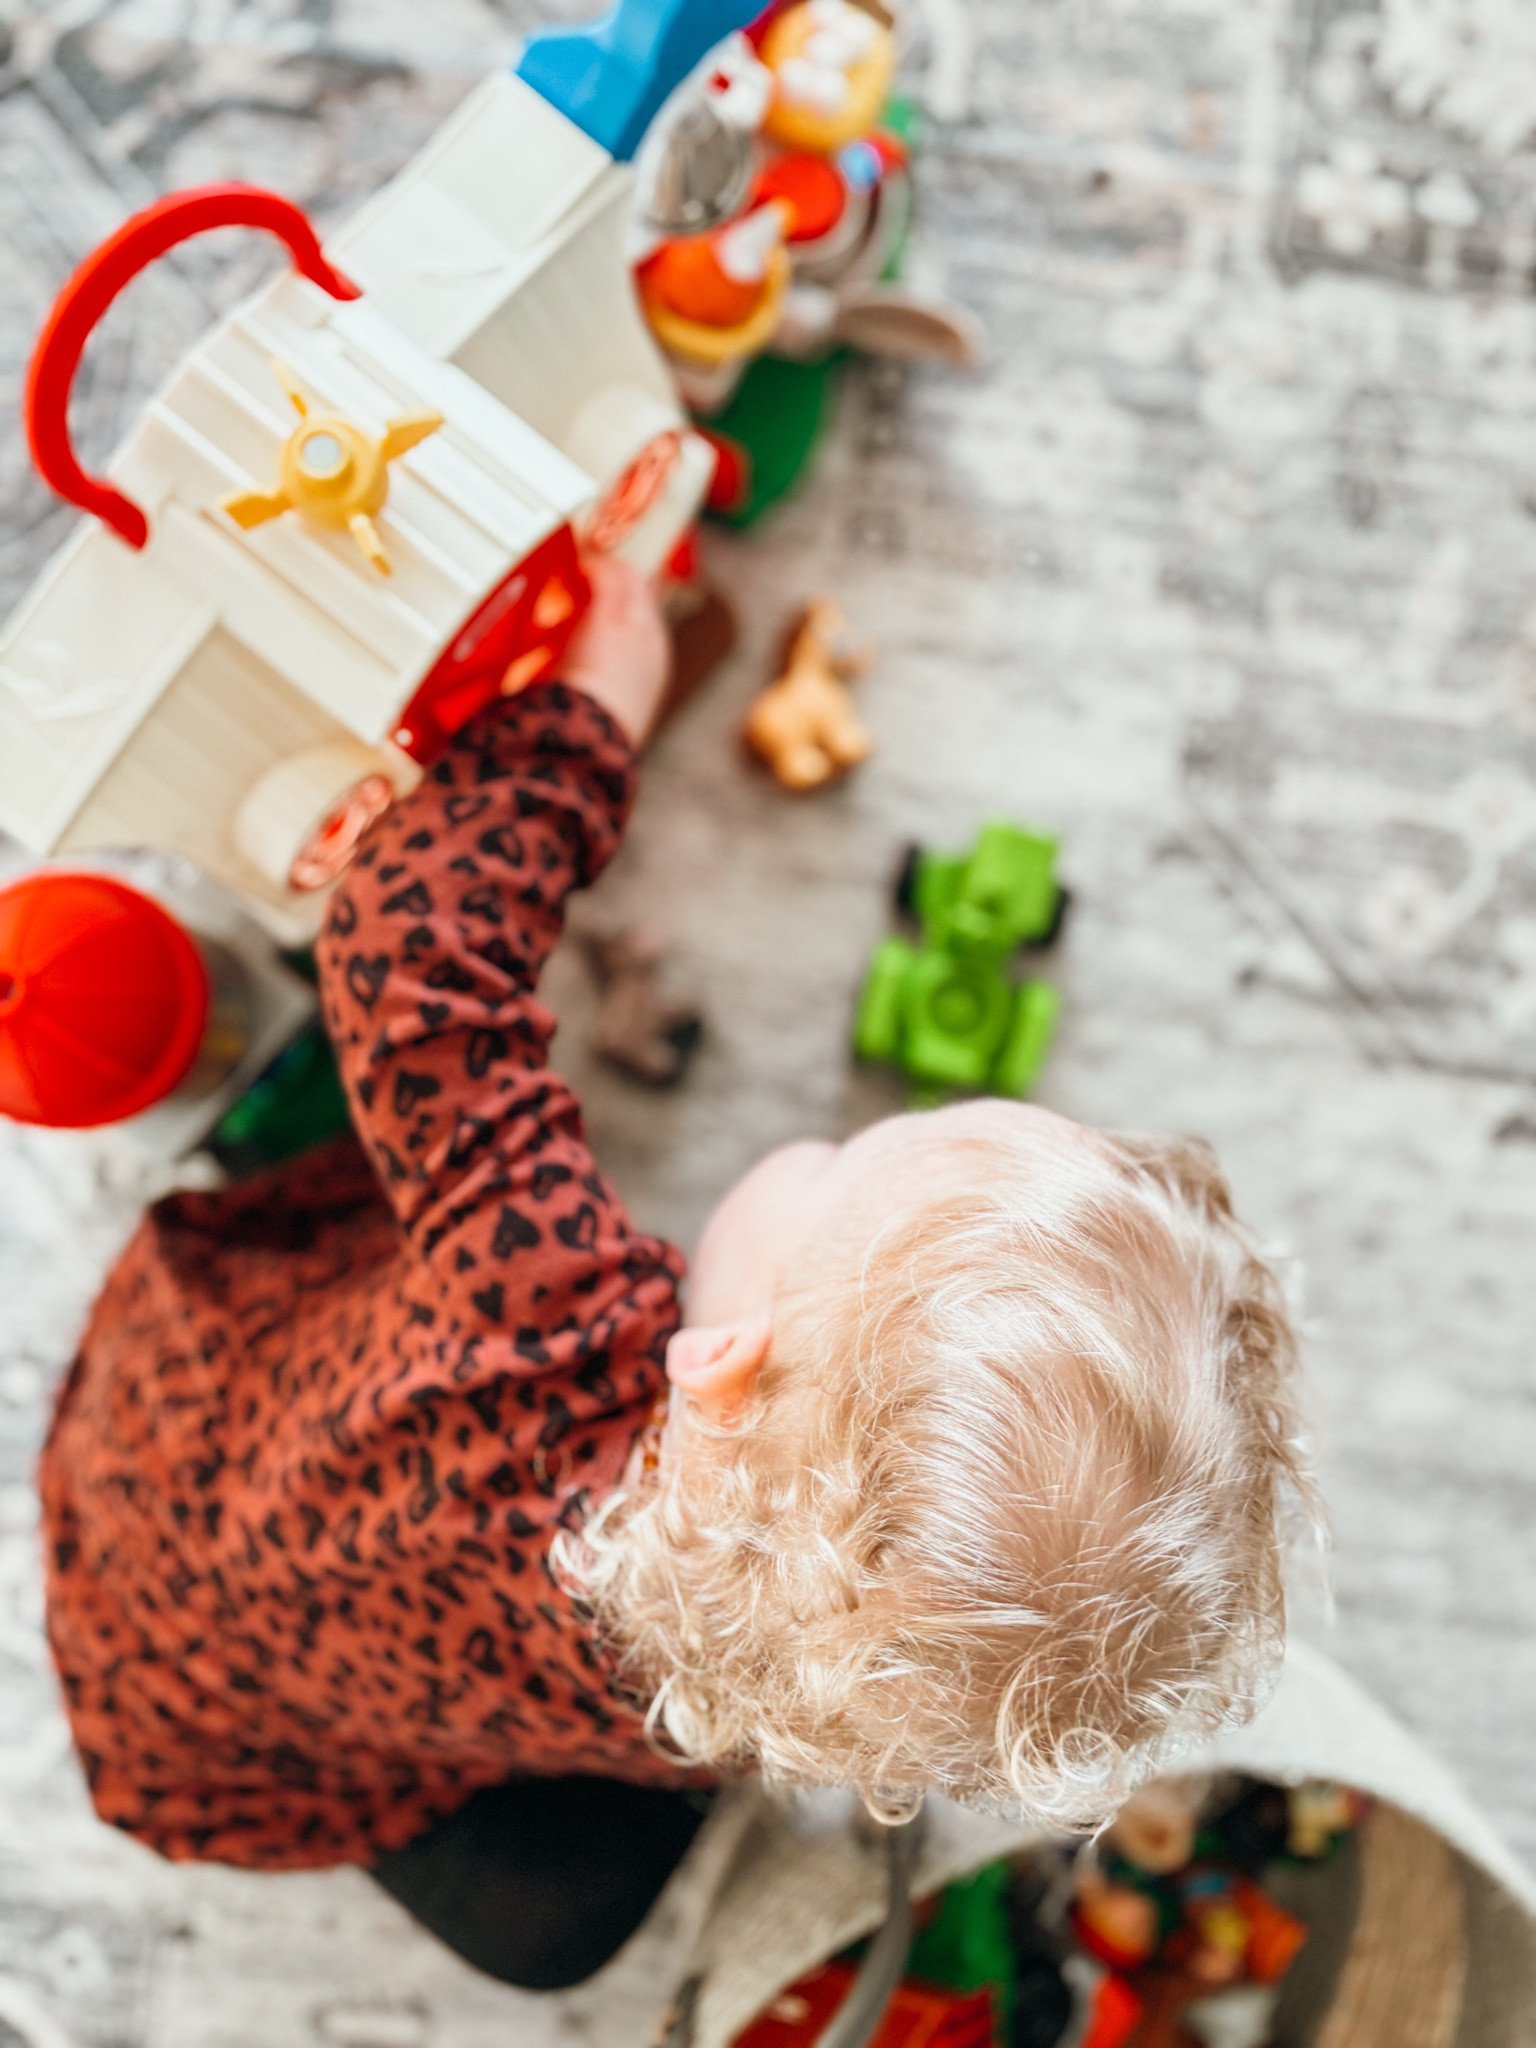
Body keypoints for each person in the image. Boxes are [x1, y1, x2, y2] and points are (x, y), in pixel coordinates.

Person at [38, 556, 1313, 1976]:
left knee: (351, 1104)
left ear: (717, 1371)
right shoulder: (785, 1688)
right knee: (578, 1896)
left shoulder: (544, 1313)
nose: (821, 1141)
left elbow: (409, 949)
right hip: (224, 1742)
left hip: (174, 1434)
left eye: (845, 1161)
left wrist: (591, 717)